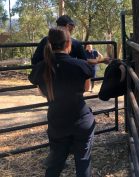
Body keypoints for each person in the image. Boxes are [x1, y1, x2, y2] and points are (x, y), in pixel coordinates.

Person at [29, 27, 95, 177]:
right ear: (68, 44)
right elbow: (86, 88)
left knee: (55, 164)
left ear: (49, 44)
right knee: (83, 161)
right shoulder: (81, 66)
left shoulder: (40, 68)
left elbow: (41, 91)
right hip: (81, 120)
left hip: (56, 122)